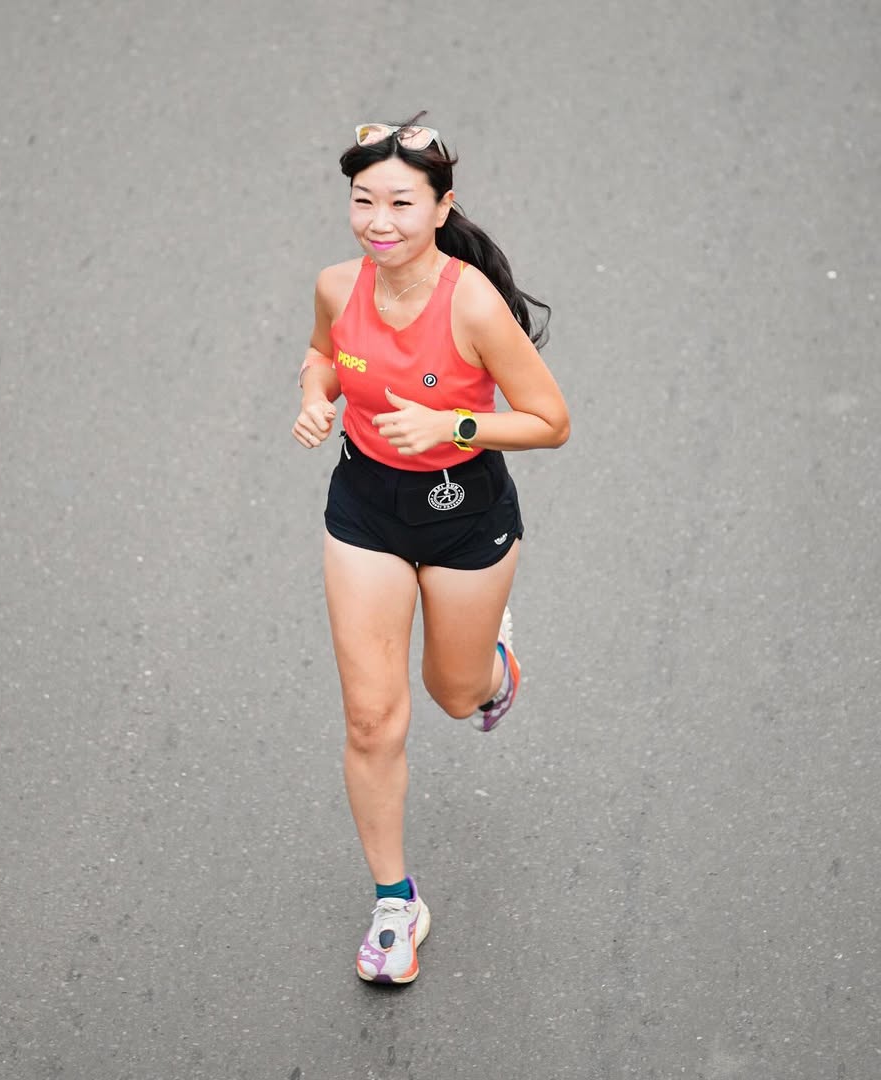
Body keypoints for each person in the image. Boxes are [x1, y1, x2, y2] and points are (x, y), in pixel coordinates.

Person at [292, 113, 570, 984]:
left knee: (454, 695)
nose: (379, 221)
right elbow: (322, 355)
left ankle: (493, 670)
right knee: (372, 718)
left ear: (442, 208)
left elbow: (551, 421)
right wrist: (316, 396)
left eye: (401, 203)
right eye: (363, 200)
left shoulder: (473, 304)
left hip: (463, 513)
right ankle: (394, 902)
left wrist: (453, 425)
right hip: (365, 509)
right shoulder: (337, 286)